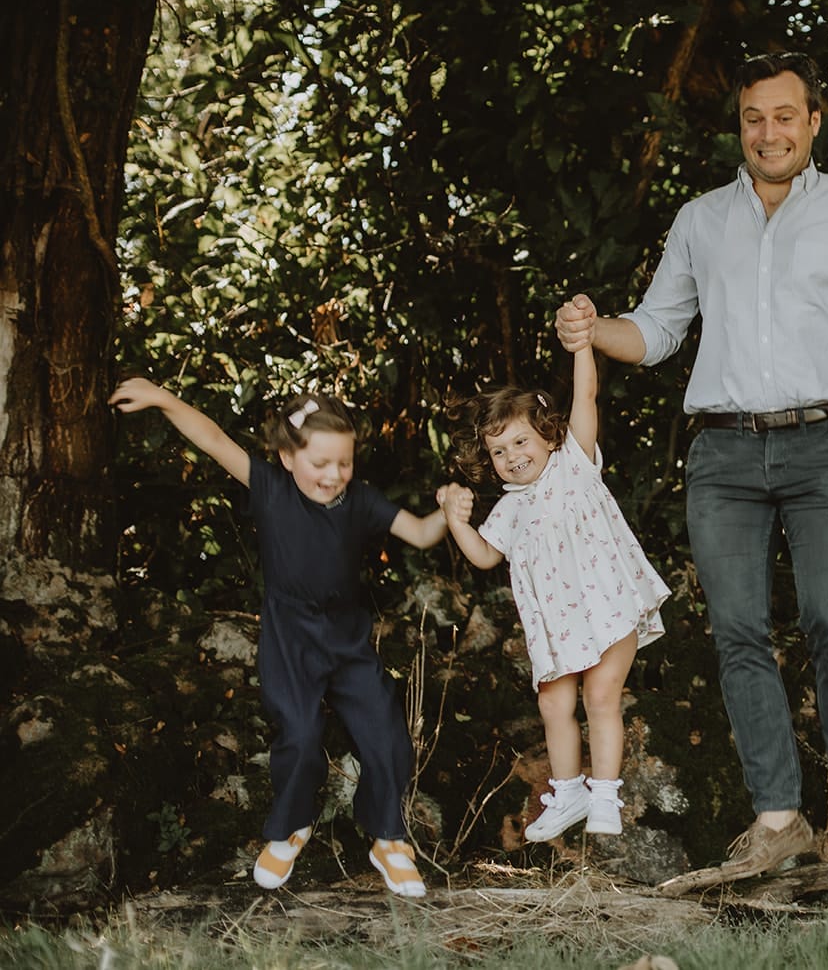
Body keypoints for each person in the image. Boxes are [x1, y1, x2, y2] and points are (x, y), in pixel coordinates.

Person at [554, 50, 828, 879]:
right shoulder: (700, 219)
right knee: (738, 633)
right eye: (755, 117)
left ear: (813, 122)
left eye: (785, 116)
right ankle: (779, 820)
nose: (770, 132)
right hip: (722, 453)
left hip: (823, 446)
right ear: (740, 126)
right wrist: (593, 326)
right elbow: (654, 333)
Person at [109, 378, 450, 898]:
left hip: (348, 640)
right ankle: (292, 826)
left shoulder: (360, 500)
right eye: (320, 463)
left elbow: (423, 534)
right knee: (299, 734)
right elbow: (214, 439)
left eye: (344, 463)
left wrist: (452, 510)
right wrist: (163, 398)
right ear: (288, 458)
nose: (334, 475)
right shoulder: (269, 487)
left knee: (387, 736)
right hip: (291, 639)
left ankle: (387, 838)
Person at [437, 342, 668, 842]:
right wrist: (456, 521)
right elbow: (483, 556)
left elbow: (586, 393)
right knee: (552, 706)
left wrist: (582, 346)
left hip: (608, 608)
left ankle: (605, 793)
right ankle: (570, 793)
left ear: (546, 435)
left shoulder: (575, 463)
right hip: (559, 629)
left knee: (601, 697)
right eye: (499, 452)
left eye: (520, 442)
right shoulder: (510, 509)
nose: (512, 457)